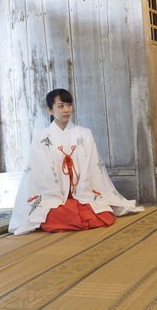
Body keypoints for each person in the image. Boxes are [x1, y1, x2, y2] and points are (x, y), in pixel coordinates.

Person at [8, 88, 144, 235]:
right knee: (53, 214)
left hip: (81, 191)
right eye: (60, 106)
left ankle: (75, 210)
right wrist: (59, 195)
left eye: (69, 105)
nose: (66, 110)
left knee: (101, 213)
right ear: (50, 110)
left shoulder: (84, 134)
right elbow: (40, 172)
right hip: (55, 194)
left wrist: (79, 189)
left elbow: (92, 166)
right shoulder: (41, 138)